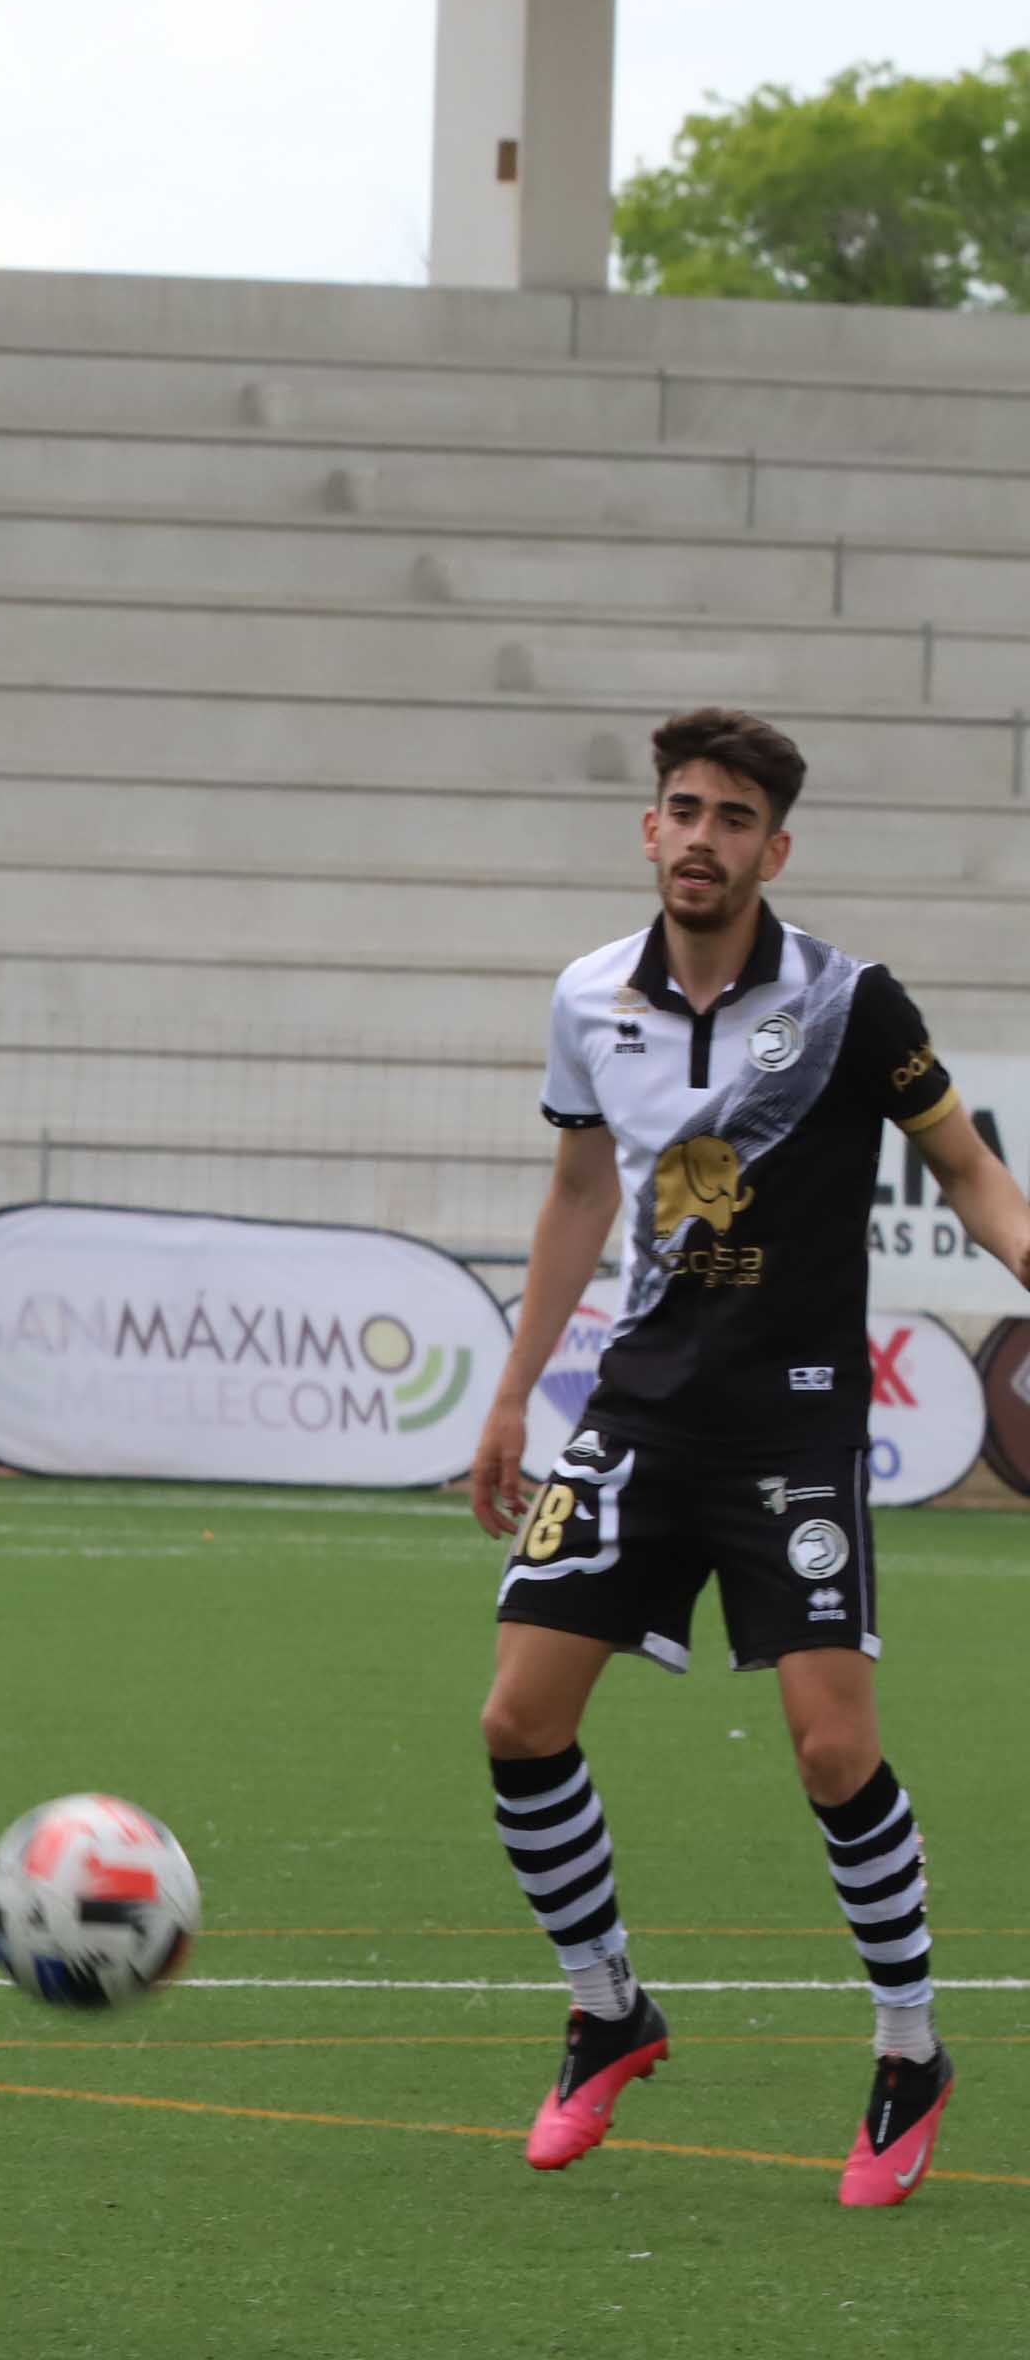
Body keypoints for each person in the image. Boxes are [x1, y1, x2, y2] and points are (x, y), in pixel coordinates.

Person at [470, 706, 1030, 2209]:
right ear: (648, 830)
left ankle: (910, 2052)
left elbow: (969, 1172)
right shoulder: (591, 998)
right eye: (682, 809)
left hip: (791, 1423)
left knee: (832, 1751)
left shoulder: (852, 1005)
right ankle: (608, 2012)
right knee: (518, 1724)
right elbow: (581, 1188)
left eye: (732, 818)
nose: (702, 837)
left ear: (775, 849)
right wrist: (518, 1392)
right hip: (639, 1412)